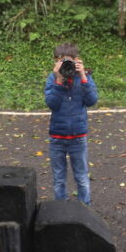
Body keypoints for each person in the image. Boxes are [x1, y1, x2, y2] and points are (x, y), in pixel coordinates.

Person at [44, 42, 98, 205]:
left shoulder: (84, 78)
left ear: (76, 60)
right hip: (57, 136)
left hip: (78, 136)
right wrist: (59, 80)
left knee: (81, 177)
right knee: (59, 178)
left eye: (68, 61)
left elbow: (92, 101)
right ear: (56, 62)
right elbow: (52, 104)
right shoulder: (53, 78)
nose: (65, 64)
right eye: (61, 61)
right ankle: (61, 208)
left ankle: (85, 209)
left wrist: (83, 77)